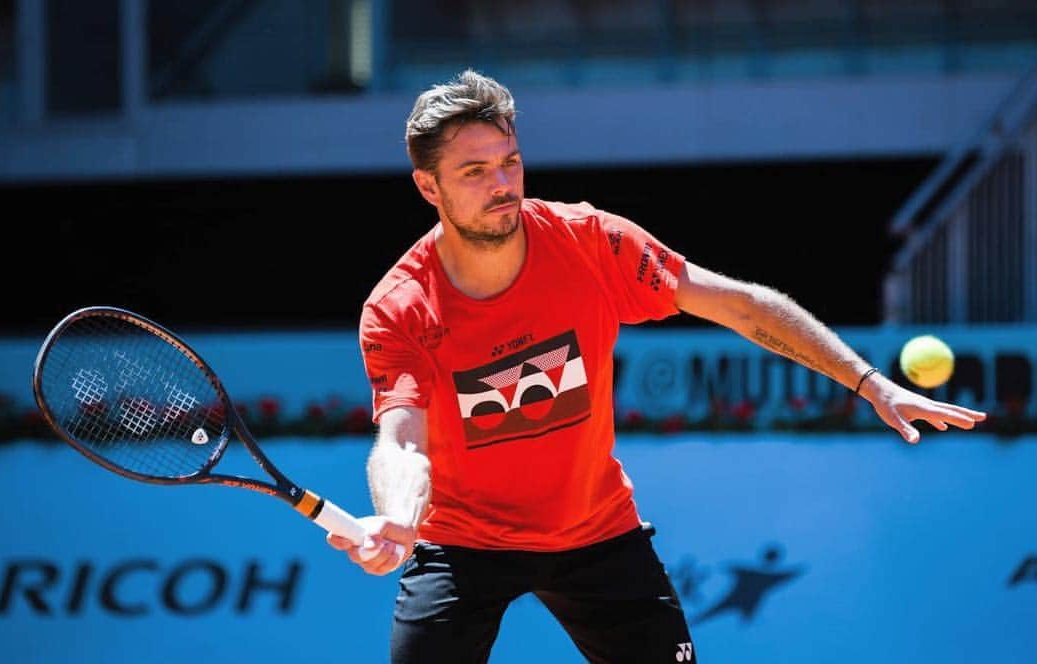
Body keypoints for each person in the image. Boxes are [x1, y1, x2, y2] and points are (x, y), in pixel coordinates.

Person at [326, 69, 987, 663]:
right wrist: (399, 517)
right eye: (475, 172)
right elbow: (402, 439)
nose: (502, 185)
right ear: (428, 186)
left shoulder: (590, 243)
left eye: (511, 162)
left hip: (595, 530)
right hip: (464, 542)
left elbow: (742, 306)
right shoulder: (401, 305)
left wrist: (867, 382)